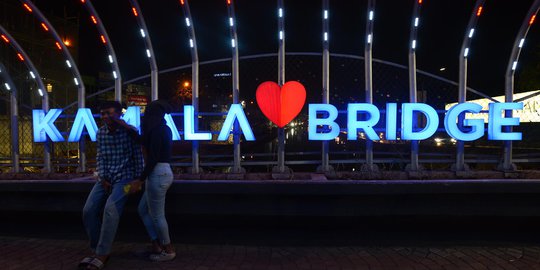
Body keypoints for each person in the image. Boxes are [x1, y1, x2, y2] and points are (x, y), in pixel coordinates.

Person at [79, 101, 144, 270]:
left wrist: (138, 179)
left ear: (118, 114)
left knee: (110, 209)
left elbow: (138, 157)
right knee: (88, 210)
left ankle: (102, 253)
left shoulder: (130, 132)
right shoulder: (101, 133)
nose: (105, 116)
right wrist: (102, 177)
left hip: (125, 179)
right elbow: (100, 157)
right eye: (103, 114)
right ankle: (96, 248)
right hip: (105, 178)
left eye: (109, 113)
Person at [128, 100, 176, 262]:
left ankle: (168, 250)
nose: (144, 116)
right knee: (143, 209)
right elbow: (144, 143)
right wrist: (127, 128)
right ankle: (157, 244)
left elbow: (153, 158)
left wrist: (139, 180)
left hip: (158, 174)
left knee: (157, 216)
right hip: (161, 173)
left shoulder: (157, 131)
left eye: (147, 113)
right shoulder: (162, 129)